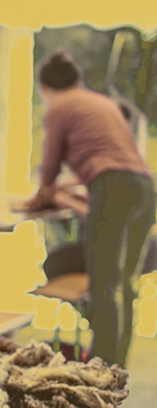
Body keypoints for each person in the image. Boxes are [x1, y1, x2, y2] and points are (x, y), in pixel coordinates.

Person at [24, 49, 155, 367]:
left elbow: (50, 167)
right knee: (125, 283)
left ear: (44, 87)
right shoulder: (101, 102)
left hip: (112, 189)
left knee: (105, 284)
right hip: (145, 188)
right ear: (77, 79)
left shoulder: (60, 107)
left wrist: (39, 198)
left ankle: (102, 369)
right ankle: (116, 366)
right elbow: (112, 157)